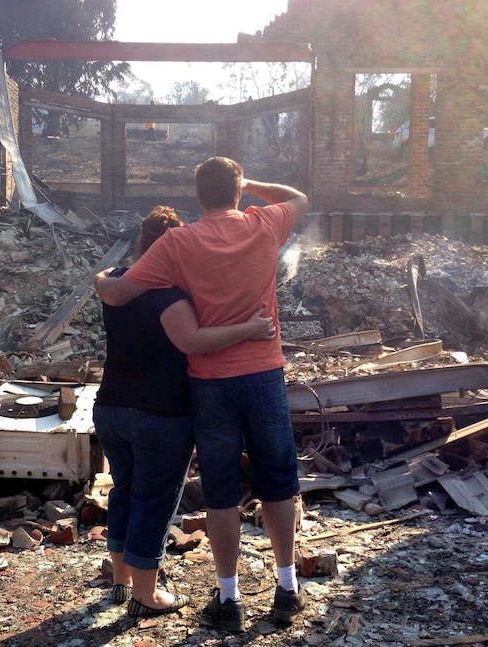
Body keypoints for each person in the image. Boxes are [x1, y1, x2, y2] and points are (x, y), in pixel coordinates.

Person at [94, 157, 310, 632]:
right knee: (278, 481)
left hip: (210, 382)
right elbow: (299, 198)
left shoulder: (178, 241)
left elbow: (120, 292)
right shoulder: (265, 221)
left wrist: (99, 278)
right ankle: (288, 588)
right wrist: (251, 184)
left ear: (197, 195)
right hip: (265, 373)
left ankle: (229, 599)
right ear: (239, 191)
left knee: (220, 492)